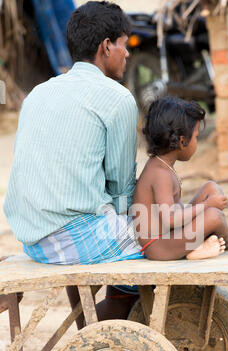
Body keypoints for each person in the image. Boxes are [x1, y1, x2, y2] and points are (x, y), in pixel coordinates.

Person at [2, 1, 146, 325]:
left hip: (32, 238)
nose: (127, 54)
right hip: (72, 240)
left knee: (95, 211)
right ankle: (102, 326)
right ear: (106, 46)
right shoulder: (117, 98)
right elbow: (122, 190)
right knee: (159, 237)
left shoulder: (38, 93)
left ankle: (89, 320)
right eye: (124, 46)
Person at [132, 97, 228, 260]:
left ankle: (202, 244)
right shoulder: (160, 174)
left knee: (210, 187)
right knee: (214, 215)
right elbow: (171, 219)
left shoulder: (161, 166)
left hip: (170, 237)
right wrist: (207, 205)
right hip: (159, 247)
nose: (196, 142)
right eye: (195, 137)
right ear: (182, 141)